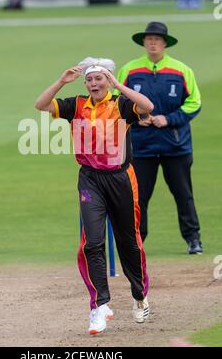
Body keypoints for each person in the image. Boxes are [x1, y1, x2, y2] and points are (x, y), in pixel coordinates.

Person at [35, 57, 153, 335]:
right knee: (92, 244)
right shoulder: (76, 105)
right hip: (90, 179)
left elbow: (148, 107)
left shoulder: (121, 104)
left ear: (108, 80)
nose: (93, 83)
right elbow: (40, 105)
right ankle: (100, 305)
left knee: (129, 243)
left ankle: (139, 295)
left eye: (98, 78)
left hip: (122, 179)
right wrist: (61, 82)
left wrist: (118, 85)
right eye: (89, 79)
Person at [114, 22, 202, 255]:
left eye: (157, 39)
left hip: (176, 145)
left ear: (165, 43)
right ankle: (136, 241)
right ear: (143, 42)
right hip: (141, 146)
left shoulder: (181, 70)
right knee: (138, 197)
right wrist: (135, 117)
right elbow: (116, 102)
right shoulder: (129, 70)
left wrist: (169, 118)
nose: (153, 42)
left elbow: (194, 102)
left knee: (183, 194)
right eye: (149, 38)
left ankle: (193, 239)